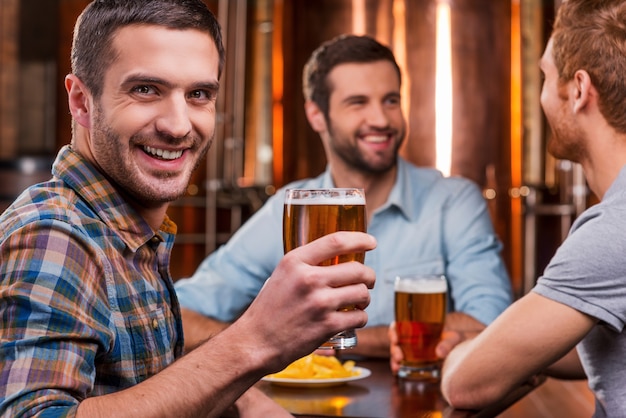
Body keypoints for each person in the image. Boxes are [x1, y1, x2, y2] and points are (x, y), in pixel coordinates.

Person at [0, 1, 377, 416]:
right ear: (81, 101)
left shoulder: (127, 231)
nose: (178, 125)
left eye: (198, 94)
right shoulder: (57, 233)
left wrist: (246, 402)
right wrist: (255, 342)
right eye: (146, 90)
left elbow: (154, 387)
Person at [175, 34, 513, 358]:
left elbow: (491, 325)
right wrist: (260, 346)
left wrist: (326, 342)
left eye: (391, 100)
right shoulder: (293, 207)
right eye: (358, 103)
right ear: (316, 115)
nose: (381, 119)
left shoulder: (452, 201)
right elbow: (179, 317)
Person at [393, 0, 625, 416]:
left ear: (578, 90)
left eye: (544, 76)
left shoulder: (612, 231)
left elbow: (467, 387)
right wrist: (507, 349)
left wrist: (463, 357)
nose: (540, 94)